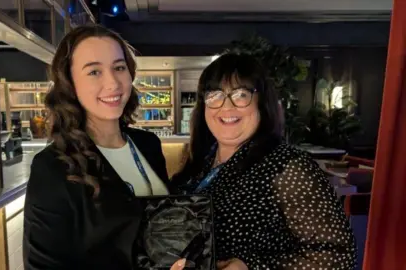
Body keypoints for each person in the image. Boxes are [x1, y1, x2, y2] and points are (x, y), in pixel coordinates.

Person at [170, 53, 357, 270]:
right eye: (215, 94)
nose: (226, 106)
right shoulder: (199, 163)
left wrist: (252, 267)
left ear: (261, 103)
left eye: (241, 94)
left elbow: (338, 256)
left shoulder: (289, 167)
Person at [22, 24, 170, 269]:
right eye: (94, 72)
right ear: (70, 83)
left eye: (119, 67)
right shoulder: (53, 167)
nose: (112, 82)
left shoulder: (148, 145)